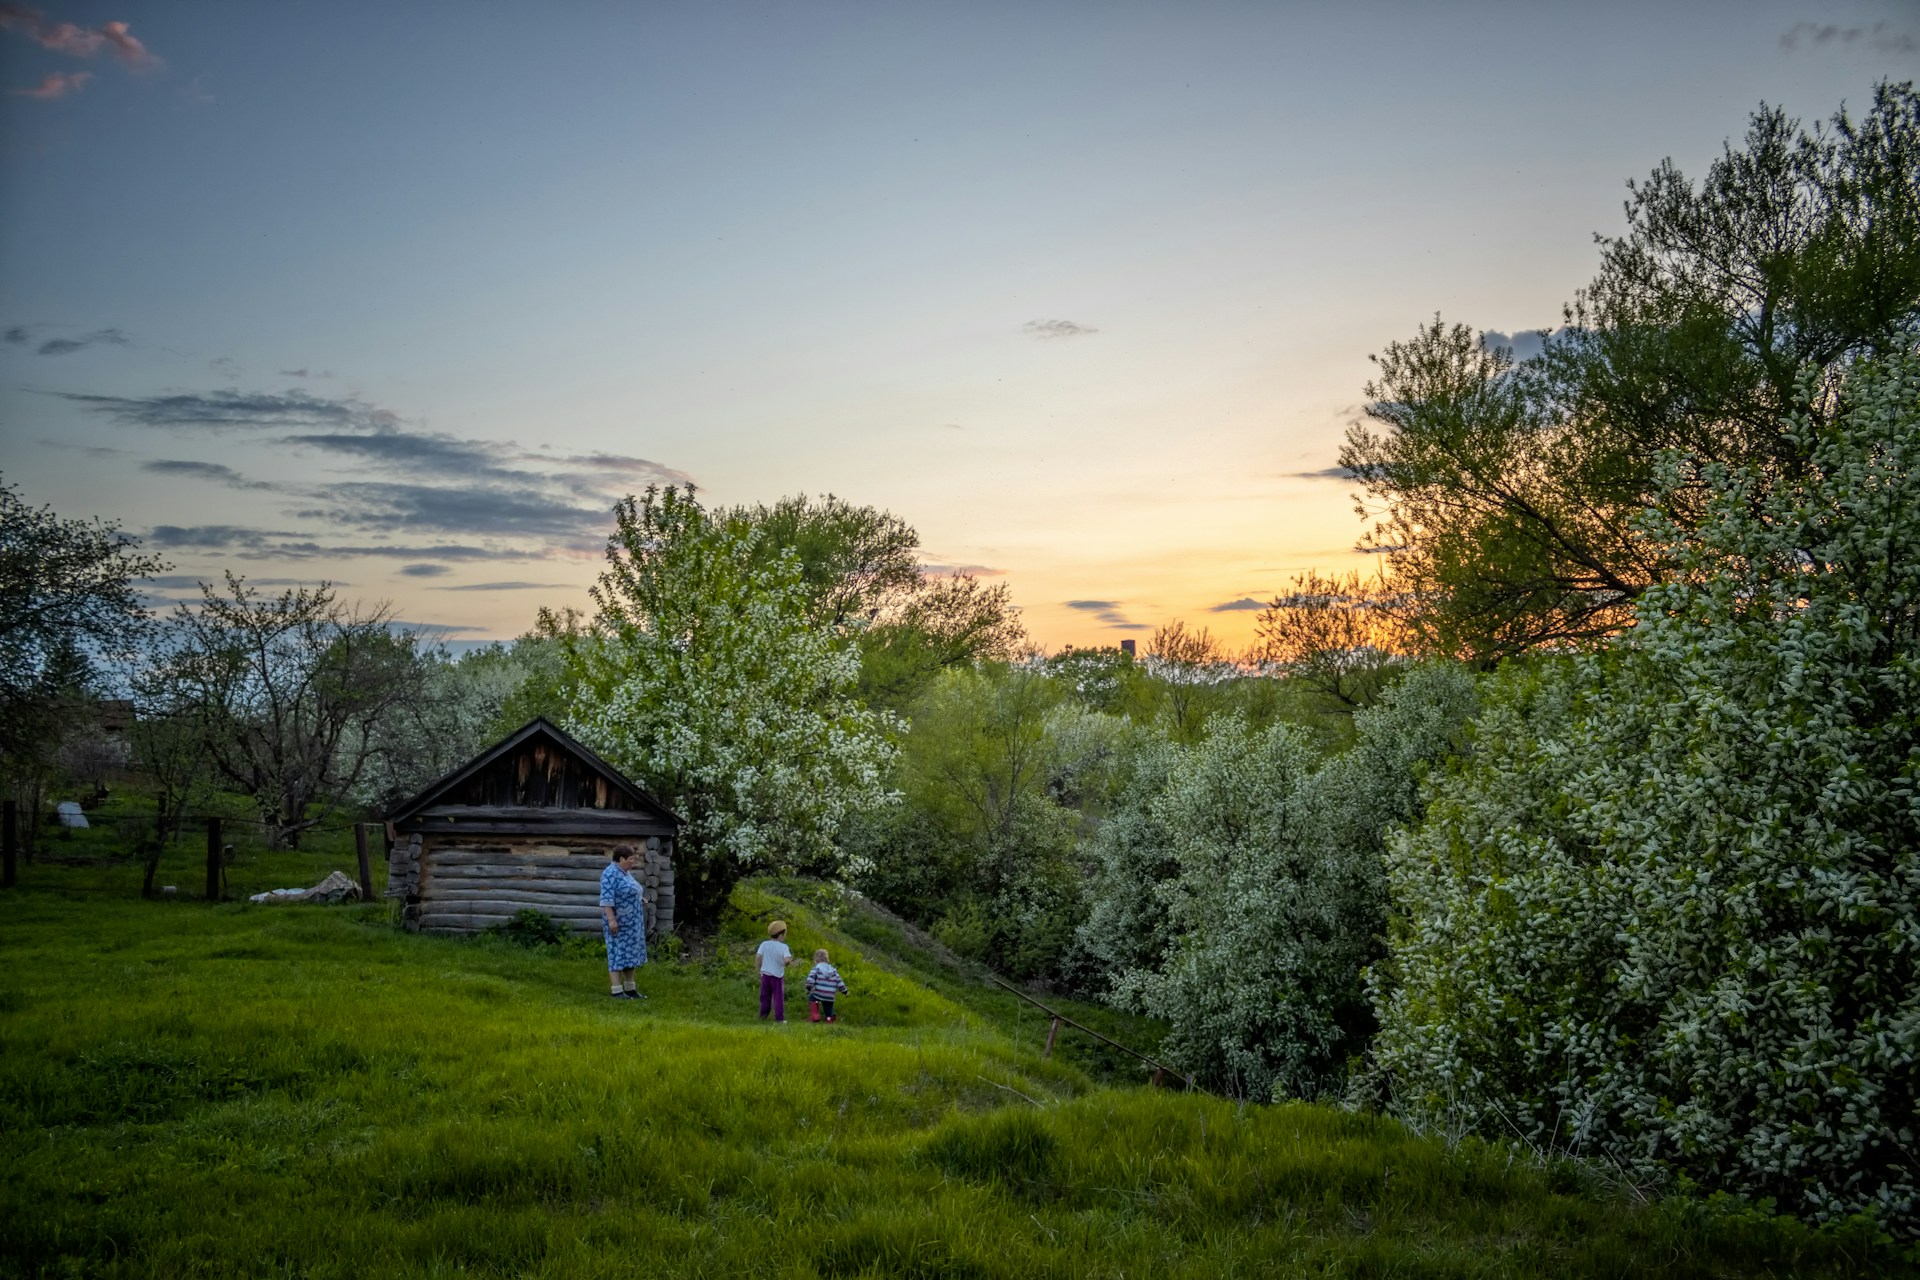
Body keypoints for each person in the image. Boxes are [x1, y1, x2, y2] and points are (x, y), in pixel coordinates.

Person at [599, 845, 647, 1000]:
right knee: (617, 953)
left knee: (630, 955)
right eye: (631, 859)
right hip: (619, 923)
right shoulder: (609, 874)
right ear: (621, 859)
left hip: (632, 923)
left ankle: (630, 988)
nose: (633, 862)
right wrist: (612, 920)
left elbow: (630, 891)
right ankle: (616, 990)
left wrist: (640, 899)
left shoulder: (625, 873)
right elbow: (606, 900)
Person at [755, 920, 794, 1021]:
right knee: (778, 998)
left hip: (765, 975)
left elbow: (758, 956)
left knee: (764, 996)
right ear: (781, 934)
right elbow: (786, 960)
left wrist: (757, 969)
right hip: (777, 977)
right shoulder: (784, 947)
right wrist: (789, 961)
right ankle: (779, 1018)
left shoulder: (764, 944)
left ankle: (763, 1016)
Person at [804, 948, 849, 1023]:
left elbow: (811, 978)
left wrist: (808, 987)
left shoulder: (816, 968)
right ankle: (829, 1019)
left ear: (816, 959)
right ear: (827, 959)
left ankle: (815, 1016)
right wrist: (845, 991)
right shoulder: (833, 970)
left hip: (819, 992)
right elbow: (839, 982)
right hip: (830, 994)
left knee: (813, 998)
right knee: (828, 1005)